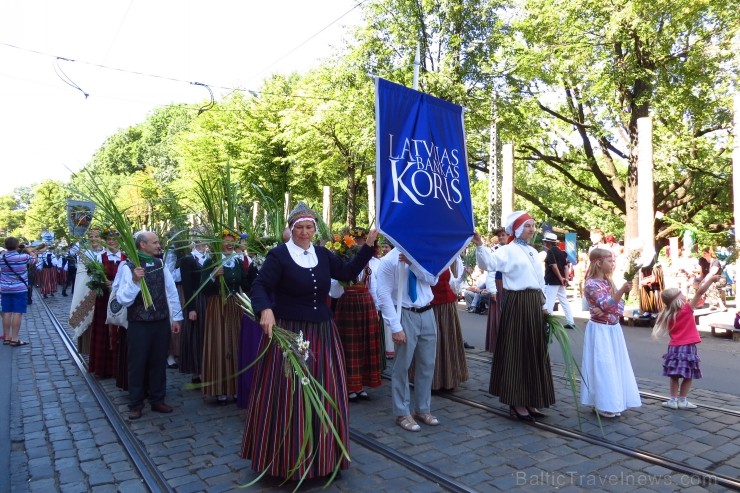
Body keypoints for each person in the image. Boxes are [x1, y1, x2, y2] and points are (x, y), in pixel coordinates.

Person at [241, 202, 378, 480]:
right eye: (299, 227)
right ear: (291, 230)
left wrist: (368, 246)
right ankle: (286, 458)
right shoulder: (279, 255)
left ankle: (325, 457)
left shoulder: (323, 255)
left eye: (309, 227)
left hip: (323, 333)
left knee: (327, 390)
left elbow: (349, 273)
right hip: (291, 332)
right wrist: (264, 308)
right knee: (290, 394)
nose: (304, 232)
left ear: (315, 229)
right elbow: (260, 285)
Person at [473, 211, 555, 421]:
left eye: (533, 226)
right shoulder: (507, 250)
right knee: (518, 351)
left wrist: (544, 303)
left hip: (533, 303)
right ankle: (516, 402)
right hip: (517, 303)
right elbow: (488, 265)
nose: (532, 229)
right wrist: (480, 245)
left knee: (533, 352)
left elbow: (539, 280)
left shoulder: (533, 252)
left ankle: (530, 399)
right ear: (518, 229)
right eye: (528, 226)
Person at [116, 231, 183, 420]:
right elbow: (123, 299)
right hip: (139, 323)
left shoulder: (160, 264)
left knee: (158, 362)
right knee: (137, 364)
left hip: (160, 321)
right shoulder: (128, 267)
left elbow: (171, 292)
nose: (159, 245)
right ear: (142, 245)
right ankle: (136, 403)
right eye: (154, 242)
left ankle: (157, 399)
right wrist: (136, 281)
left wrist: (176, 318)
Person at [375, 245, 440, 432]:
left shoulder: (423, 254)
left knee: (427, 364)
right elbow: (383, 295)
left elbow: (432, 280)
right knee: (402, 366)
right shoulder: (389, 260)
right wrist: (395, 327)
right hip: (405, 313)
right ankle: (402, 412)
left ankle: (422, 408)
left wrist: (414, 264)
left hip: (427, 312)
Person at [580, 248, 641, 418]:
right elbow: (607, 304)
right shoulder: (591, 283)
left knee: (614, 364)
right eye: (610, 261)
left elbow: (617, 307)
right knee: (602, 364)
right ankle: (603, 402)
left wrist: (607, 307)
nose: (613, 264)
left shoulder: (608, 283)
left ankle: (613, 400)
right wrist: (615, 298)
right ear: (599, 262)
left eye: (614, 261)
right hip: (600, 329)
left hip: (612, 328)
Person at [200, 230, 255, 404]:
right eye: (226, 241)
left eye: (233, 241)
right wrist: (213, 276)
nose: (230, 244)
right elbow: (203, 289)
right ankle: (220, 389)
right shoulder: (211, 261)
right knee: (220, 344)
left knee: (236, 343)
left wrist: (255, 269)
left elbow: (245, 284)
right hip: (218, 306)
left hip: (236, 305)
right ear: (219, 243)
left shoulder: (237, 262)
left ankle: (236, 387)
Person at [652, 272, 718, 410]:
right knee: (689, 375)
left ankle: (673, 400)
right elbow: (700, 292)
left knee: (674, 375)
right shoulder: (686, 310)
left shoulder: (666, 314)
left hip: (674, 348)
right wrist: (711, 279)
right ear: (677, 299)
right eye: (681, 294)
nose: (684, 295)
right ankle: (683, 400)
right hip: (688, 348)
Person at [411, 255, 469, 391]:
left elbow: (453, 284)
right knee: (431, 344)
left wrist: (464, 276)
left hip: (448, 307)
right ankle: (431, 381)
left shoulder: (446, 261)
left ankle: (449, 379)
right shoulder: (422, 260)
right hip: (431, 306)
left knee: (448, 343)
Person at [178, 237, 209, 385]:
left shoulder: (211, 258)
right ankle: (197, 371)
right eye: (200, 241)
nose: (203, 244)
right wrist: (191, 308)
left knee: (207, 335)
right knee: (196, 335)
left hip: (209, 300)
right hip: (196, 300)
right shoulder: (188, 260)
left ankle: (207, 368)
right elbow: (187, 285)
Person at [1, 237, 37, 346]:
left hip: (4, 289)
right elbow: (35, 260)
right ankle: (15, 339)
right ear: (17, 246)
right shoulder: (23, 257)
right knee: (17, 312)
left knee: (6, 312)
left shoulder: (1, 257)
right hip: (19, 289)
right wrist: (28, 250)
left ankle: (7, 337)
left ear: (6, 246)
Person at [542, 232, 575, 330]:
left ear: (548, 242)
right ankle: (570, 321)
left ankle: (548, 323)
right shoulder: (562, 252)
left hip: (552, 280)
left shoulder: (550, 252)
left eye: (546, 242)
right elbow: (565, 267)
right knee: (564, 301)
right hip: (560, 281)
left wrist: (561, 278)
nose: (545, 243)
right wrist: (565, 279)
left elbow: (553, 266)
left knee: (549, 301)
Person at [484, 228, 508, 354]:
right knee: (497, 314)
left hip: (509, 285)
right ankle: (497, 346)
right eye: (499, 236)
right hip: (498, 284)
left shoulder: (512, 250)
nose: (501, 237)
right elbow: (491, 272)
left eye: (503, 235)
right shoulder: (495, 251)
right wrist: (492, 290)